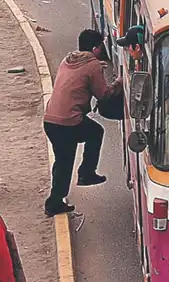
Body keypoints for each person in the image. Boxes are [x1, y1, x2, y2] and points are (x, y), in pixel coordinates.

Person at [42, 29, 122, 217]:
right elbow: (104, 95)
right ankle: (86, 173)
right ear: (95, 48)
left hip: (51, 119)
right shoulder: (92, 66)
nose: (102, 50)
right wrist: (117, 83)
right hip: (67, 122)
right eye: (101, 47)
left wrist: (95, 69)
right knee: (95, 134)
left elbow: (81, 75)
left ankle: (55, 200)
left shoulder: (69, 60)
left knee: (62, 160)